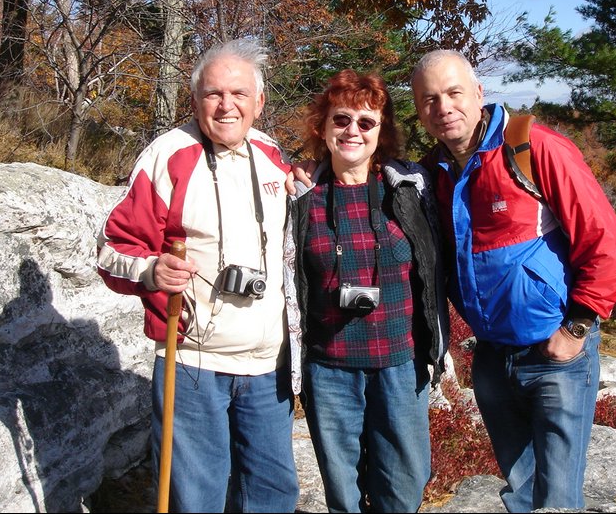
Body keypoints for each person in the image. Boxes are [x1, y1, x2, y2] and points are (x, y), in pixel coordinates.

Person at [410, 50, 616, 513]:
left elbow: (607, 243)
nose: (444, 107)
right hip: (491, 354)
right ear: (418, 109)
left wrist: (575, 329)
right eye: (429, 99)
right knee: (520, 491)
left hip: (556, 354)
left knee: (556, 499)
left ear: (479, 93)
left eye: (454, 93)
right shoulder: (434, 173)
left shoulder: (533, 148)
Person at [97, 38, 300, 513]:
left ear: (260, 102)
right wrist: (151, 270)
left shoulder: (273, 155)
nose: (226, 106)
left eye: (239, 94)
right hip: (192, 362)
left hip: (268, 364)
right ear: (195, 100)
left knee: (273, 492)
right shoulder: (168, 155)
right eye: (213, 94)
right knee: (196, 497)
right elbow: (110, 250)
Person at [289, 69, 448, 513]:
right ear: (323, 126)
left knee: (403, 485)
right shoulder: (299, 197)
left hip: (401, 365)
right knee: (342, 491)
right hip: (330, 368)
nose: (352, 131)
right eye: (341, 120)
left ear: (383, 131)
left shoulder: (412, 189)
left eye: (366, 122)